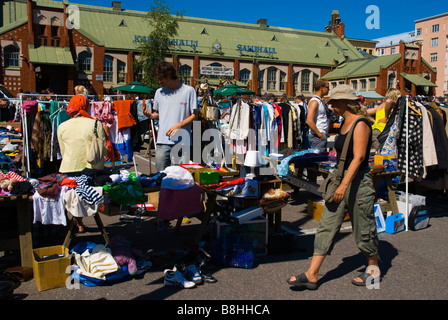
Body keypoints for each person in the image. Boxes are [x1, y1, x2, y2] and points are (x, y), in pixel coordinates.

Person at [287, 84, 380, 290]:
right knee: (326, 226)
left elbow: (359, 158)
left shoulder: (361, 124)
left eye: (334, 103)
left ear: (345, 103)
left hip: (358, 182)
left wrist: (343, 185)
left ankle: (373, 269)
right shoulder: (344, 122)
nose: (330, 106)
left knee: (363, 228)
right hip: (341, 179)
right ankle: (312, 274)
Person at [57, 89, 108, 233]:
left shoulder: (62, 126)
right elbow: (103, 149)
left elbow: (63, 151)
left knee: (74, 195)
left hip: (68, 168)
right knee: (88, 193)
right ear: (85, 106)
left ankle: (78, 223)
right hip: (90, 167)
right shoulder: (95, 124)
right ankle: (90, 220)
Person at [143, 61, 198, 172]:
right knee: (161, 174)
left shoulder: (189, 91)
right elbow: (158, 113)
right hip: (163, 140)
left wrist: (178, 125)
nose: (159, 82)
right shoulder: (159, 92)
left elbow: (195, 116)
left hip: (182, 140)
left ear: (169, 75)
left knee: (181, 175)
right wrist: (150, 115)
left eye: (161, 78)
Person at [367, 88, 400, 153]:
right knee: (378, 151)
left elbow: (365, 112)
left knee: (373, 150)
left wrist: (374, 121)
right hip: (381, 129)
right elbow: (389, 101)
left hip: (376, 130)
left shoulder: (381, 106)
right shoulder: (388, 106)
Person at [306, 79, 331, 152]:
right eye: (327, 87)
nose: (328, 90)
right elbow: (309, 121)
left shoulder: (320, 101)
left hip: (320, 135)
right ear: (321, 88)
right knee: (317, 159)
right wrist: (320, 135)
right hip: (317, 136)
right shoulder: (314, 101)